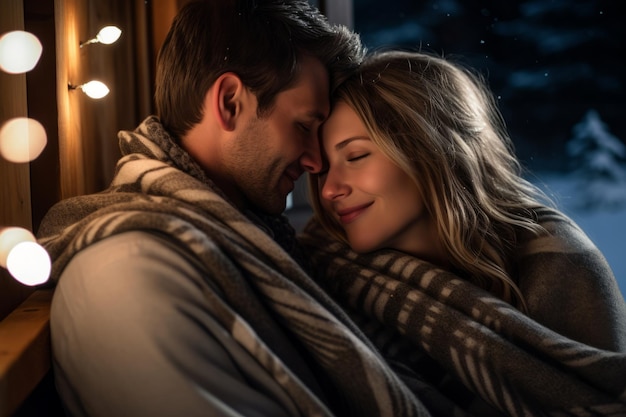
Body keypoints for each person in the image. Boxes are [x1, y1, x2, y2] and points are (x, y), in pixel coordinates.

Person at [35, 3, 440, 417]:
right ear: (229, 102)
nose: (317, 164)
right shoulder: (128, 274)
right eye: (304, 126)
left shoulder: (245, 244)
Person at [300, 50, 626, 416]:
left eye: (356, 156)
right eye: (323, 169)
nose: (329, 190)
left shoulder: (560, 264)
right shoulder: (315, 274)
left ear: (432, 148)